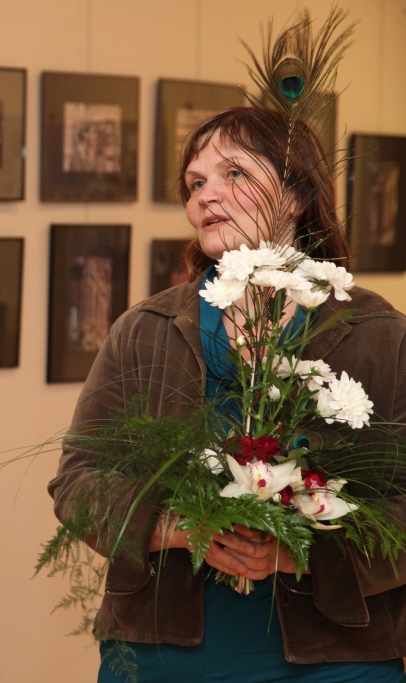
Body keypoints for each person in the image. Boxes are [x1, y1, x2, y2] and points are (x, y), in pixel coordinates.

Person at [48, 105, 406, 682]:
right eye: (195, 183)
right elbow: (78, 480)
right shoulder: (145, 329)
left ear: (295, 194)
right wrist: (175, 527)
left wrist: (297, 552)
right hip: (165, 655)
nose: (205, 196)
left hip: (335, 660)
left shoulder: (379, 334)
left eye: (233, 173)